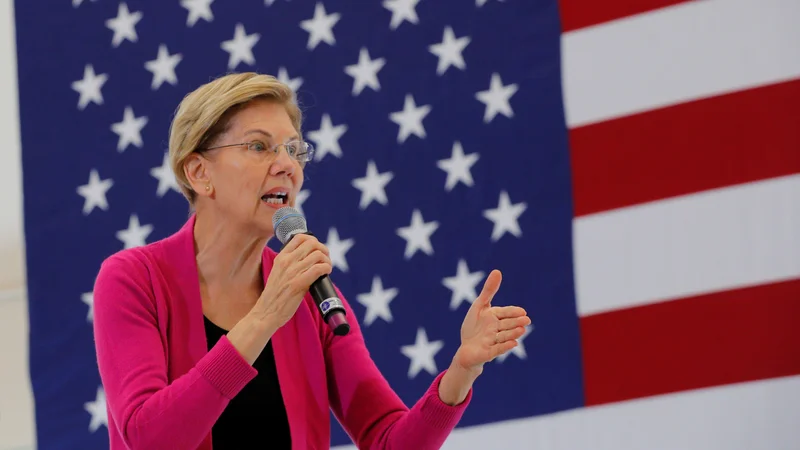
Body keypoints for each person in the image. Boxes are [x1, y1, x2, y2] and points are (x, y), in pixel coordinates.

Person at [91, 72, 531, 450]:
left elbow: (385, 438)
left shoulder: (314, 299)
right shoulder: (135, 279)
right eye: (260, 147)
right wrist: (263, 318)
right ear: (199, 173)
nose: (287, 166)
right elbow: (148, 437)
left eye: (294, 150)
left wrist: (461, 372)